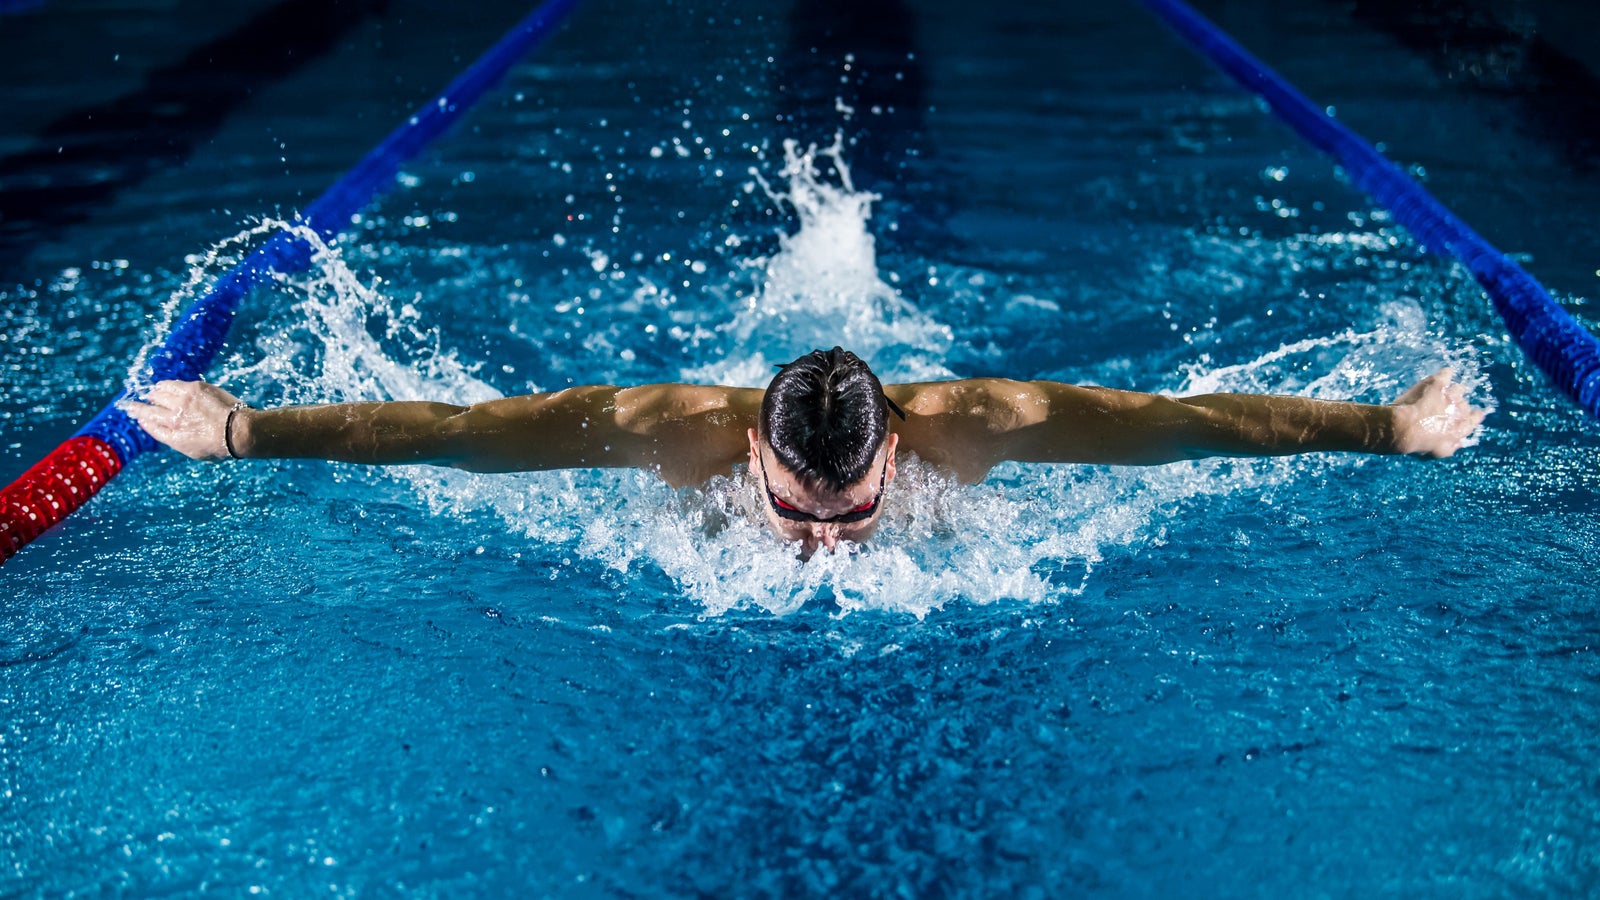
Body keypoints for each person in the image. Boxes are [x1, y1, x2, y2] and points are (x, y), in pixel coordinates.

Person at [123, 347, 1486, 556]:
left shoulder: (988, 424)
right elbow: (463, 438)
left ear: (900, 442)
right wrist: (242, 430)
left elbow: (1188, 426)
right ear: (755, 455)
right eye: (795, 505)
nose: (819, 542)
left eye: (848, 512)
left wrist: (1388, 427)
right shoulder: (667, 436)